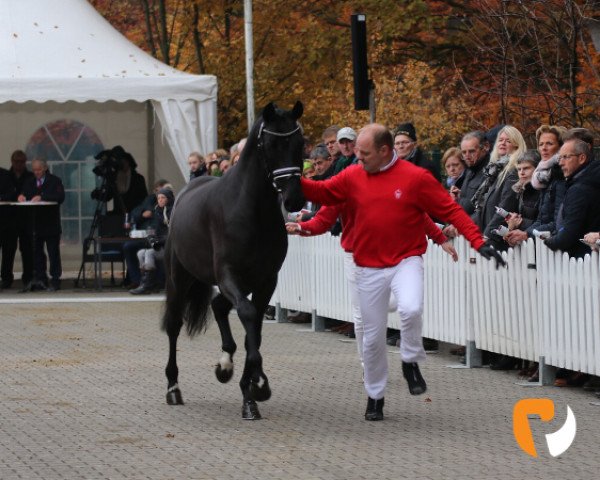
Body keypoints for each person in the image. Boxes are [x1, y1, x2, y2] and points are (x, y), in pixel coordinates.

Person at [300, 124, 504, 421]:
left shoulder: (415, 177)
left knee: (410, 308)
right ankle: (375, 395)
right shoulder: (352, 174)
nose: (358, 158)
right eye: (356, 152)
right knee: (371, 340)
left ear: (385, 151)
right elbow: (321, 191)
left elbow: (451, 210)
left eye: (364, 153)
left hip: (406, 259)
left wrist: (477, 240)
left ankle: (410, 360)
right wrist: (289, 176)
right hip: (367, 266)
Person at [543, 138, 600, 258]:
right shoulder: (588, 180)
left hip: (584, 260)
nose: (561, 163)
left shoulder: (580, 189)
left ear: (582, 158)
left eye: (566, 157)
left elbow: (569, 233)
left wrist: (548, 242)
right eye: (560, 158)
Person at [18, 158, 65, 291]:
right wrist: (21, 196)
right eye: (34, 170)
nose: (36, 172)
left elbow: (60, 197)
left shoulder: (55, 180)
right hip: (35, 224)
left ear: (44, 168)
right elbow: (24, 193)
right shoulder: (30, 182)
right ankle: (40, 279)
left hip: (51, 224)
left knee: (53, 253)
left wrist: (43, 196)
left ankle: (55, 280)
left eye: (39, 170)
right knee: (37, 254)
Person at [123, 179, 170, 289]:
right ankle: (137, 281)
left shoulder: (169, 204)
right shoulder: (149, 200)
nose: (159, 195)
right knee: (128, 247)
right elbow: (134, 213)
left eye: (162, 192)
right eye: (157, 192)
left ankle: (155, 282)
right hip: (144, 237)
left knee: (151, 249)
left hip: (160, 239)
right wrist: (142, 215)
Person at [1, 150, 34, 289]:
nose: (18, 165)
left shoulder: (31, 176)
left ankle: (28, 277)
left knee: (27, 249)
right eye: (16, 162)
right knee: (8, 250)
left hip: (26, 218)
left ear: (25, 162)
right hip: (8, 219)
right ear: (12, 162)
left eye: (21, 162)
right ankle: (6, 277)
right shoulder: (4, 176)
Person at [108, 146, 148, 215]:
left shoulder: (138, 178)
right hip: (118, 216)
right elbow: (109, 195)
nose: (121, 164)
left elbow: (144, 198)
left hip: (134, 214)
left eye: (123, 161)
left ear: (128, 162)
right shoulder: (114, 178)